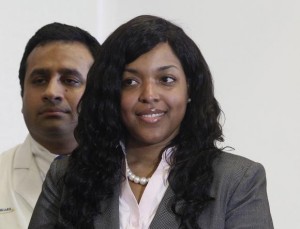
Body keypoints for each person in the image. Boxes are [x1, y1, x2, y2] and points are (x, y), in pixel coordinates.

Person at [29, 15, 273, 228]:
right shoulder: (66, 175)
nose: (149, 95)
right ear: (111, 93)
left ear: (190, 89)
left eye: (166, 79)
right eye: (130, 82)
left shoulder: (237, 180)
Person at [0, 22, 100, 229]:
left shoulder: (135, 181)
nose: (52, 92)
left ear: (100, 95)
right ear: (22, 94)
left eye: (70, 80)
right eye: (39, 80)